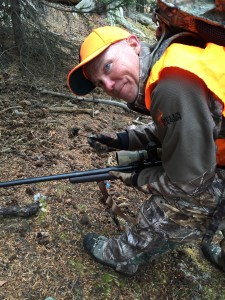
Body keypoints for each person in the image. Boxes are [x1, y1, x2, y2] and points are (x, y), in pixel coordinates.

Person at [67, 5, 225, 275]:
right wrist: (123, 140)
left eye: (108, 67)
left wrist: (139, 178)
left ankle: (124, 254)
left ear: (133, 43)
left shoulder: (171, 85)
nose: (110, 85)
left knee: (179, 203)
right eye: (100, 83)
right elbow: (177, 127)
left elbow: (191, 185)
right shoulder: (171, 62)